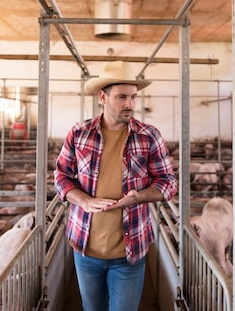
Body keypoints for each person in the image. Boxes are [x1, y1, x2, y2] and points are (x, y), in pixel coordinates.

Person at [54, 61, 178, 311]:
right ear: (103, 97)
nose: (130, 104)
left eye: (133, 97)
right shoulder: (79, 133)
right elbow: (61, 176)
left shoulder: (148, 135)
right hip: (85, 247)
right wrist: (85, 201)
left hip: (129, 252)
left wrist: (139, 197)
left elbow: (168, 182)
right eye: (122, 97)